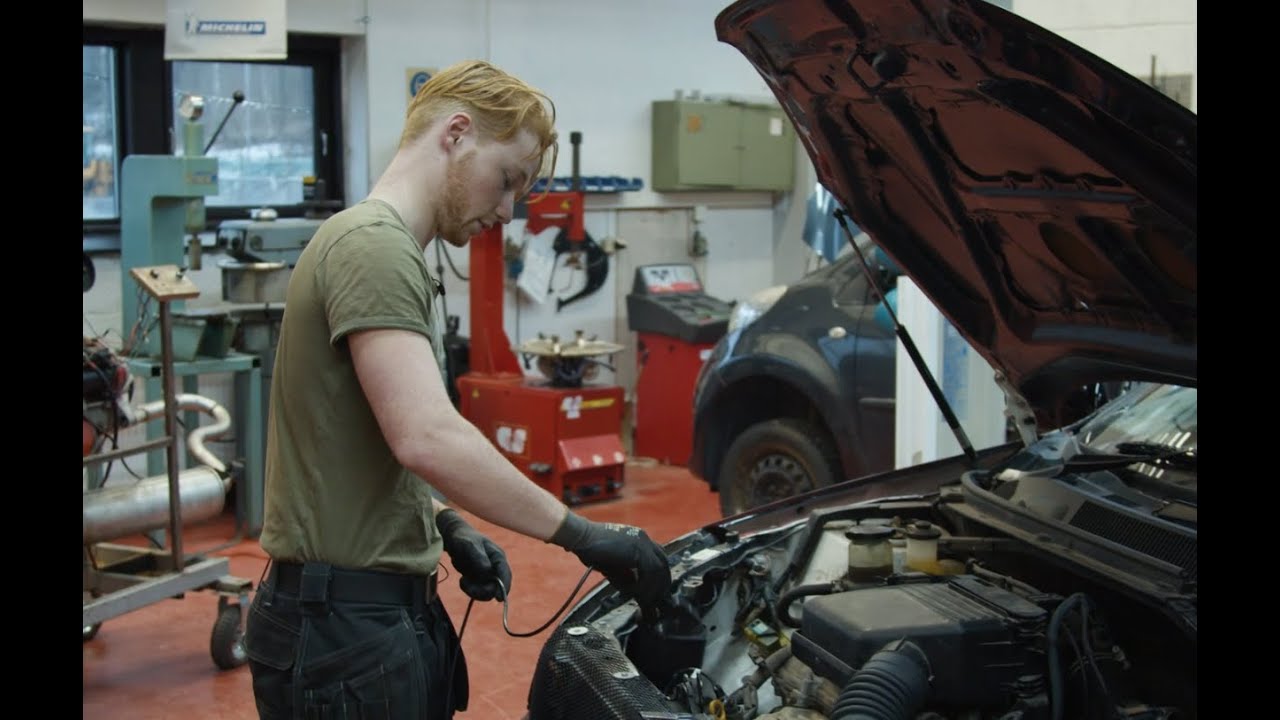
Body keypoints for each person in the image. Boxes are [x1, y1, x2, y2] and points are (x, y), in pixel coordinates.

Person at [242, 60, 673, 720]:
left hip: (356, 616)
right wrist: (583, 535)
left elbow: (360, 442)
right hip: (344, 633)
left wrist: (445, 524)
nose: (507, 210)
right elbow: (426, 437)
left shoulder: (377, 246)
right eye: (507, 181)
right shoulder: (374, 247)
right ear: (457, 133)